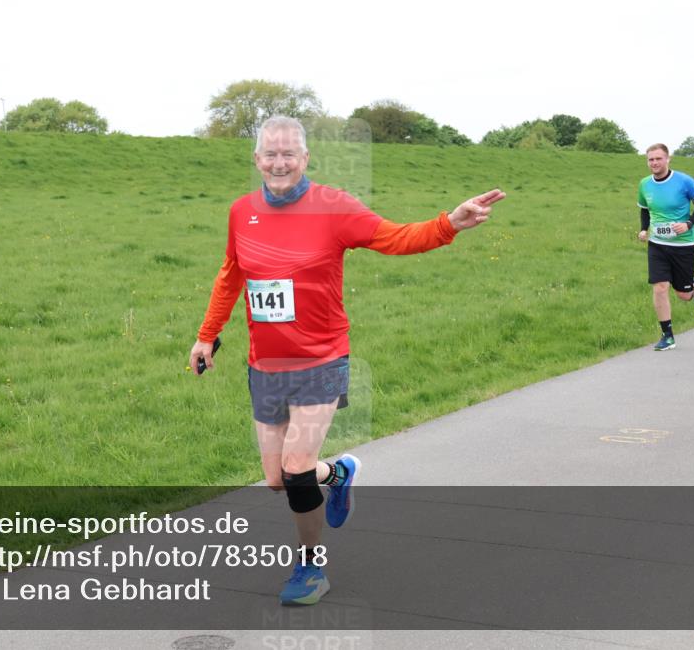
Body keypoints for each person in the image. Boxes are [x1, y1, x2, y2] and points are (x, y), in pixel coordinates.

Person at [188, 116, 504, 606]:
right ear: (256, 160)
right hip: (265, 364)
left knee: (295, 472)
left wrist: (449, 224)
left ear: (305, 158)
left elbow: (394, 237)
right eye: (270, 154)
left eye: (289, 153)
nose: (279, 162)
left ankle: (311, 566)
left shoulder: (333, 207)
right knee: (276, 480)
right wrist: (206, 336)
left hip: (321, 358)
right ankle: (338, 475)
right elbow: (230, 277)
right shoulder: (241, 212)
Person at [636, 143, 694, 351]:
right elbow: (644, 209)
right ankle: (667, 336)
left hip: (683, 245)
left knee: (683, 295)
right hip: (657, 245)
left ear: (668, 159)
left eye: (658, 158)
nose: (654, 163)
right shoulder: (644, 184)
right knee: (660, 288)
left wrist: (688, 223)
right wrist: (644, 229)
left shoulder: (684, 181)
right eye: (650, 159)